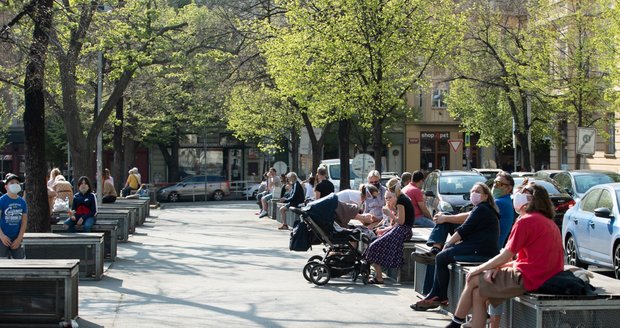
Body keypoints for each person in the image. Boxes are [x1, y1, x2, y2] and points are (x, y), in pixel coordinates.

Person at [446, 184, 563, 328]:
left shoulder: (526, 220)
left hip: (531, 278)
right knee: (478, 293)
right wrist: (497, 267)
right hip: (545, 276)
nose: (517, 195)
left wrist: (479, 269)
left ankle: (455, 323)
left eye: (522, 193)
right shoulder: (548, 222)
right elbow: (525, 260)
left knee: (473, 278)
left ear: (530, 200)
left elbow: (507, 255)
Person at [412, 182, 499, 311]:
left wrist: (448, 244)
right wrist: (444, 219)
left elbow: (463, 230)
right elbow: (462, 223)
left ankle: (438, 296)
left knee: (442, 257)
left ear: (486, 196)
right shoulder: (480, 208)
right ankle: (435, 249)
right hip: (473, 243)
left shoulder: (483, 208)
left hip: (480, 250)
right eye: (472, 191)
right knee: (445, 218)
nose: (473, 194)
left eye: (478, 191)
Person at [363, 177, 414, 284]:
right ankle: (378, 275)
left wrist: (389, 213)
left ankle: (379, 277)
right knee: (374, 243)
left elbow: (401, 221)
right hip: (403, 229)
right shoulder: (403, 198)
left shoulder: (401, 200)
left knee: (374, 246)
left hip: (403, 230)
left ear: (390, 189)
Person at [486, 171, 516, 327]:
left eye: (500, 184)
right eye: (495, 183)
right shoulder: (499, 201)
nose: (495, 186)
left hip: (491, 250)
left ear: (509, 189)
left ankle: (491, 322)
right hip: (493, 250)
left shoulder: (501, 203)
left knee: (491, 281)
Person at [0, 173, 27, 259]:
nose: (15, 184)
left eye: (17, 183)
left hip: (16, 238)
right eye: (11, 183)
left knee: (20, 262)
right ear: (6, 187)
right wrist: (2, 236)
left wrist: (19, 238)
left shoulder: (22, 202)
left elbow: (24, 222)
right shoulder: (2, 200)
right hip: (2, 238)